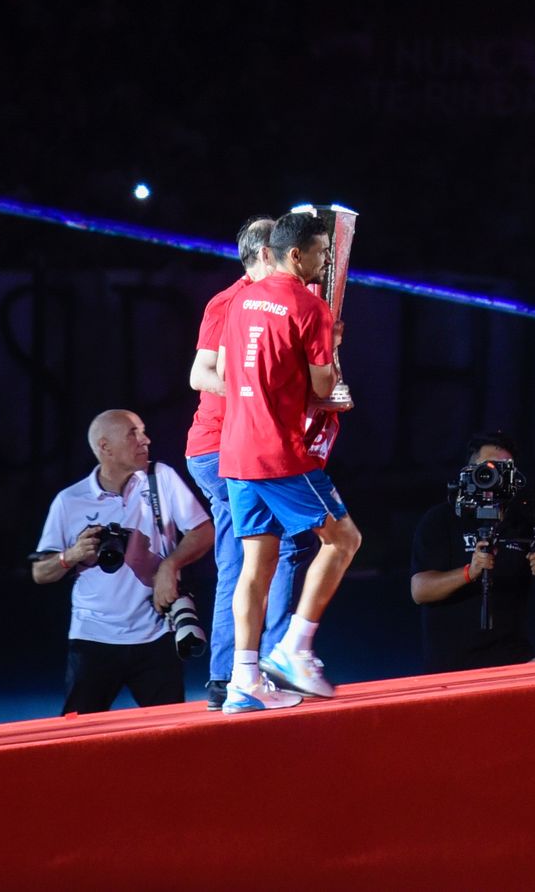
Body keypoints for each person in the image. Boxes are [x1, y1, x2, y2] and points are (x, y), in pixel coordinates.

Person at [215, 211, 363, 713]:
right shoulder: (309, 307)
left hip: (235, 451)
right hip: (278, 452)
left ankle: (243, 681)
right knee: (344, 540)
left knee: (256, 565)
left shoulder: (239, 301)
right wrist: (331, 352)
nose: (327, 262)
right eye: (321, 252)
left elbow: (232, 371)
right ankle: (294, 650)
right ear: (296, 254)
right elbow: (323, 387)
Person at [185, 216, 317, 711]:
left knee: (241, 557)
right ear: (267, 254)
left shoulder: (278, 302)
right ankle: (272, 665)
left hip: (236, 445)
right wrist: (257, 394)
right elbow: (201, 373)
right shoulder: (232, 301)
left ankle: (229, 676)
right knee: (281, 545)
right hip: (224, 447)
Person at [32, 409, 213, 714]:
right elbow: (40, 572)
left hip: (156, 634)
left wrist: (170, 565)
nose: (146, 440)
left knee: (172, 731)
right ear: (105, 447)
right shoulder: (69, 500)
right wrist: (73, 555)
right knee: (82, 733)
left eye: (143, 431)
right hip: (93, 637)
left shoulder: (161, 478)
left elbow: (203, 531)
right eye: (133, 433)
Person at [409, 431, 535, 673]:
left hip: (514, 662)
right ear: (470, 471)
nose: (495, 476)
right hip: (451, 668)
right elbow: (420, 590)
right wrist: (469, 572)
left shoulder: (523, 522)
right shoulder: (441, 519)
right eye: (488, 468)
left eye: (504, 469)